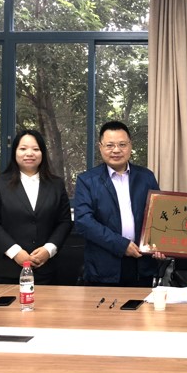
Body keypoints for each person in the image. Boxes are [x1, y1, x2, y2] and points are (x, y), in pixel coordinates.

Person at [0, 129, 73, 284]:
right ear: (14, 152)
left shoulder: (56, 184)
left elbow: (64, 222)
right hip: (5, 271)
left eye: (35, 149)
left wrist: (48, 250)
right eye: (23, 148)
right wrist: (16, 252)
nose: (29, 153)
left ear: (42, 153)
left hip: (45, 270)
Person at [73, 121, 159, 285]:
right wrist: (121, 245)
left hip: (141, 263)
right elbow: (84, 222)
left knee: (141, 302)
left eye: (122, 144)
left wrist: (159, 246)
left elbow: (158, 216)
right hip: (104, 266)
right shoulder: (87, 180)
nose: (116, 150)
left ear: (130, 146)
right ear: (100, 147)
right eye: (110, 145)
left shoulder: (146, 177)